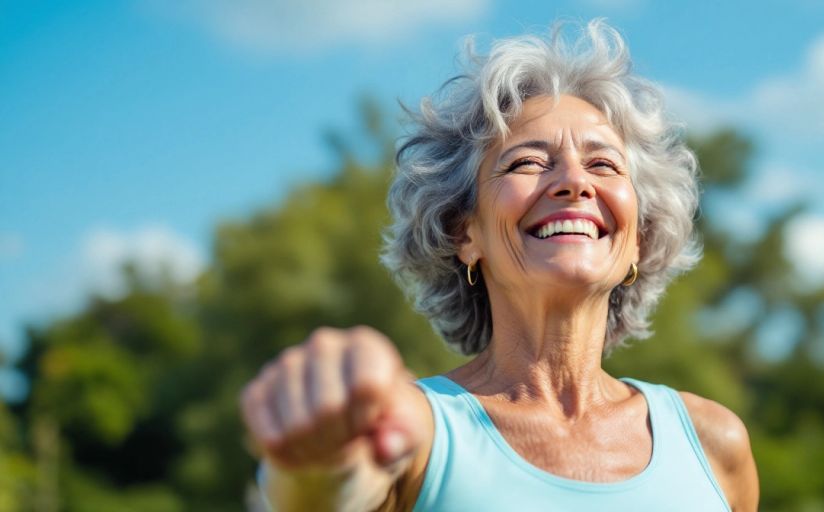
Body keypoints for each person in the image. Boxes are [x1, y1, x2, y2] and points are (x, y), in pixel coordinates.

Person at [240, 20, 759, 512]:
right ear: (464, 232)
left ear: (639, 238)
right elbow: (326, 490)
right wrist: (315, 457)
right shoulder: (419, 430)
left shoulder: (715, 444)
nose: (574, 182)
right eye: (527, 162)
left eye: (603, 164)